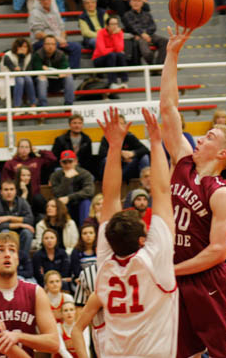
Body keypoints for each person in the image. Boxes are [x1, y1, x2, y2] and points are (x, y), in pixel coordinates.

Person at [159, 27, 226, 357]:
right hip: (176, 276)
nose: (200, 139)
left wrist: (171, 271)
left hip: (208, 281)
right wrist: (172, 54)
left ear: (222, 154)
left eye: (209, 137)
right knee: (177, 353)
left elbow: (217, 252)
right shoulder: (182, 160)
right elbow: (168, 109)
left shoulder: (222, 192)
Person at [71, 106, 178, 358]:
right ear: (143, 240)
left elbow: (109, 195)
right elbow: (161, 191)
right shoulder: (155, 260)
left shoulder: (106, 262)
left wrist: (114, 146)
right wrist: (155, 141)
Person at [0, 232, 60, 356]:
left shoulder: (35, 292)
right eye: (0, 250)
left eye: (12, 250)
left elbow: (53, 343)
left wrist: (18, 337)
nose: (7, 255)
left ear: (18, 259)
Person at [28, 0, 81, 69]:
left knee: (76, 47)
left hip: (58, 41)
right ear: (39, 0)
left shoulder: (55, 10)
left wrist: (63, 39)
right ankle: (58, 73)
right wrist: (57, 39)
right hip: (41, 42)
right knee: (53, 45)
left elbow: (62, 28)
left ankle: (71, 73)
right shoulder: (35, 13)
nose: (46, 1)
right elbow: (38, 34)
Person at [0, 180, 35, 256]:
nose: (9, 192)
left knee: (27, 233)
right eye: (6, 190)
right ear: (1, 192)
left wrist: (8, 218)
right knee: (5, 232)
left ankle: (22, 260)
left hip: (19, 232)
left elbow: (30, 219)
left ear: (15, 191)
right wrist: (21, 225)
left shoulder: (22, 202)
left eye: (11, 189)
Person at [98, 114, 149, 181]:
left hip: (128, 167)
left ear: (125, 125)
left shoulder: (129, 135)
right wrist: (121, 156)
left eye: (122, 124)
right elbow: (102, 153)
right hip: (113, 170)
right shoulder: (107, 136)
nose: (119, 126)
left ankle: (146, 181)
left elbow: (145, 149)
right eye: (117, 124)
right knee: (107, 160)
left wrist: (132, 153)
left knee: (144, 157)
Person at [49, 150, 95, 226]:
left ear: (75, 161)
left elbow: (89, 191)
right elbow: (57, 194)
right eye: (64, 162)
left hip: (80, 202)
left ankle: (85, 228)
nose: (67, 165)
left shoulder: (84, 174)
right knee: (59, 204)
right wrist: (66, 179)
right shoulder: (55, 175)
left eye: (70, 162)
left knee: (86, 202)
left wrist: (69, 198)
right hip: (65, 204)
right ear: (60, 163)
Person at [123, 0, 168, 67]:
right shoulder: (127, 15)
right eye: (134, 1)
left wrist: (146, 34)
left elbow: (153, 26)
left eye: (138, 1)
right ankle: (154, 67)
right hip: (136, 36)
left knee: (165, 42)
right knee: (147, 53)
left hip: (149, 35)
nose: (136, 3)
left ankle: (158, 66)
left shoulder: (147, 14)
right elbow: (132, 26)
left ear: (142, 3)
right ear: (130, 2)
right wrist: (142, 34)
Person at [31, 35, 75, 107]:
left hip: (57, 83)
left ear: (56, 45)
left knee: (69, 76)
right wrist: (57, 74)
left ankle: (69, 105)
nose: (50, 46)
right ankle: (43, 108)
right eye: (48, 44)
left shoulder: (61, 54)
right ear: (43, 45)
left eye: (53, 44)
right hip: (40, 84)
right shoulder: (37, 54)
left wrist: (47, 70)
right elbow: (38, 70)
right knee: (42, 78)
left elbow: (65, 70)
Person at [92, 16, 129, 89]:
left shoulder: (119, 32)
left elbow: (120, 49)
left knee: (120, 55)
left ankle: (124, 81)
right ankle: (112, 82)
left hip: (113, 58)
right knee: (112, 55)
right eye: (112, 24)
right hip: (99, 59)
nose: (115, 26)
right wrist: (113, 49)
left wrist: (114, 35)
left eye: (116, 24)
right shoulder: (101, 33)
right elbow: (102, 51)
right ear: (107, 26)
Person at [0, 38, 36, 109]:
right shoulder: (7, 56)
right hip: (8, 78)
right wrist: (21, 57)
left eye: (25, 47)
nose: (23, 49)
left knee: (27, 79)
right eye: (20, 47)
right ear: (16, 47)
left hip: (24, 77)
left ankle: (33, 105)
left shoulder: (30, 56)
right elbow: (15, 71)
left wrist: (20, 68)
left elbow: (28, 70)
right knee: (20, 80)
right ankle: (17, 106)